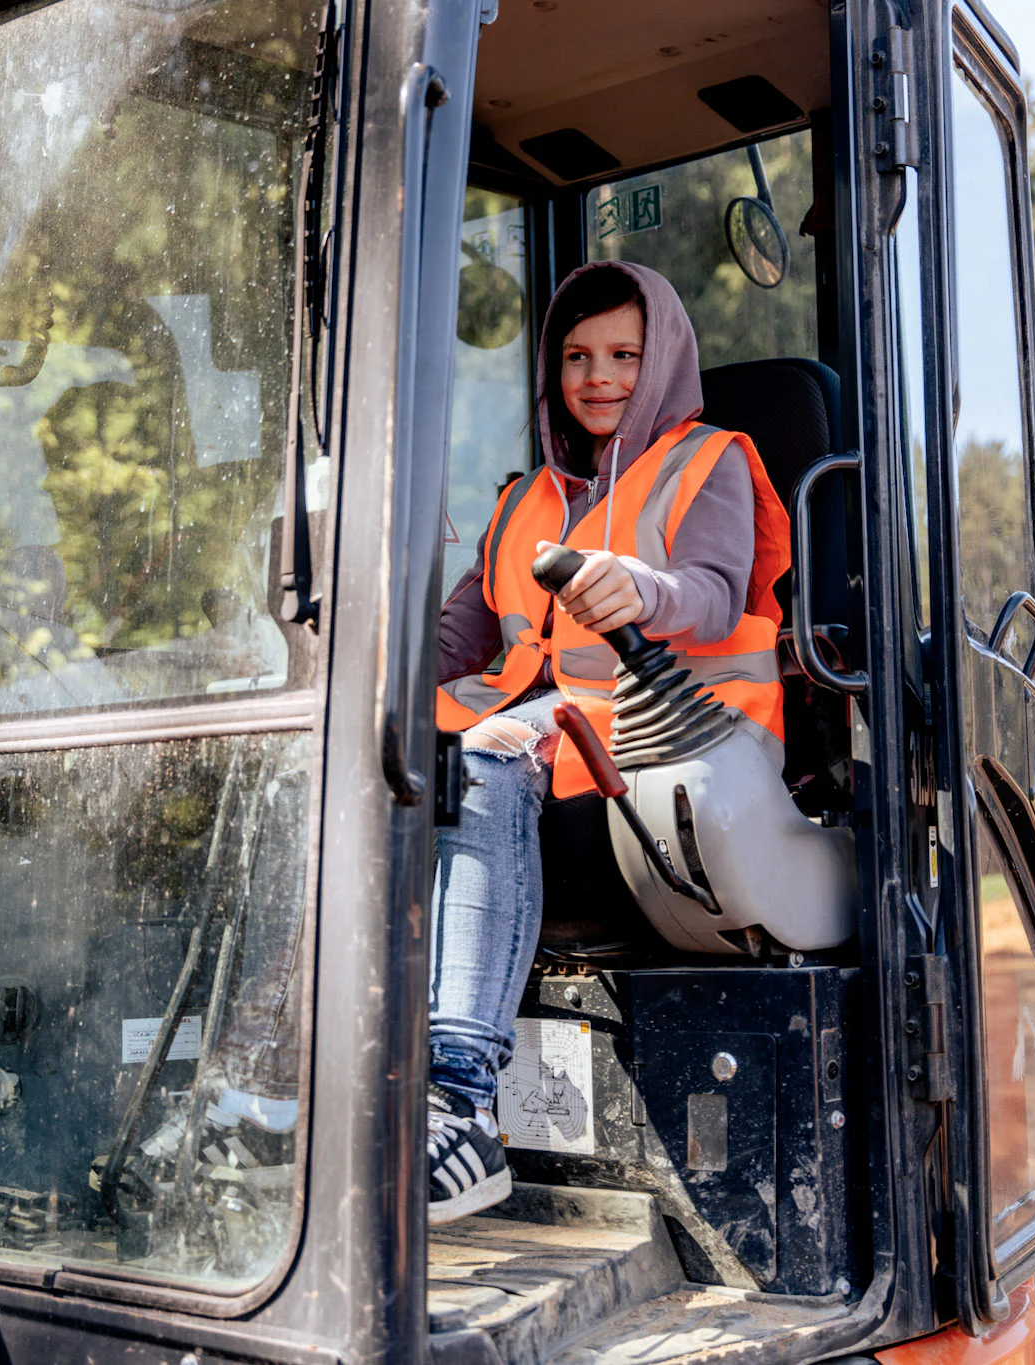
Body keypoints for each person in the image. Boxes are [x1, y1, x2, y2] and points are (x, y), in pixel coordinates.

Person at [423, 262, 790, 1223]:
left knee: (492, 755)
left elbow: (712, 585)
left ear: (661, 355)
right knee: (366, 754)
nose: (599, 376)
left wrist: (645, 588)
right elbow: (461, 636)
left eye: (624, 355)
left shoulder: (708, 462)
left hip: (679, 735)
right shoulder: (521, 501)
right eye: (577, 357)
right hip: (555, 728)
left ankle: (458, 1100)